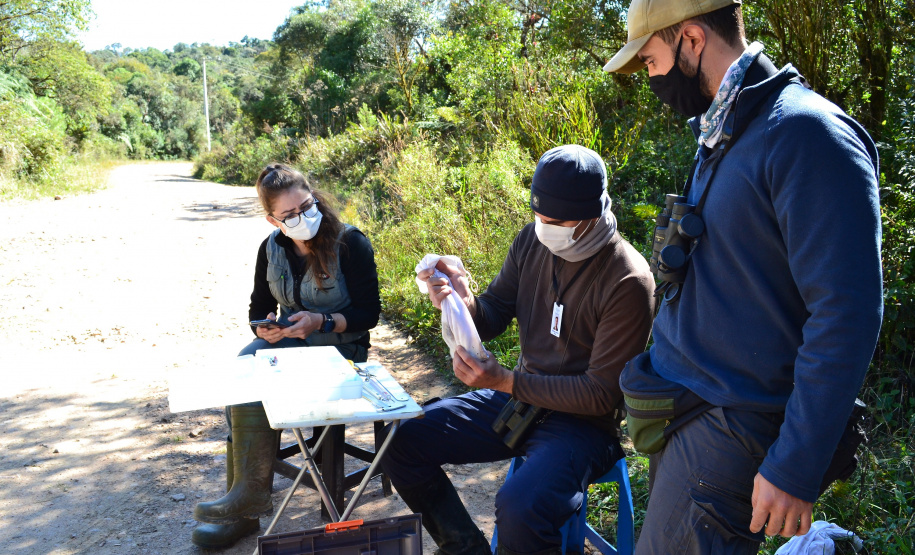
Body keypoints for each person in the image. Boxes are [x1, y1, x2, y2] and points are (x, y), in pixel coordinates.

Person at [603, 1, 883, 553]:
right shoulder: (726, 130)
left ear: (691, 39)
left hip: (731, 430)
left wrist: (795, 464)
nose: (651, 79)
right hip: (688, 415)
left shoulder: (806, 133)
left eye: (652, 61)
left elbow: (846, 312)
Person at [380, 144, 655, 555]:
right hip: (520, 403)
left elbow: (600, 394)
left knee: (522, 508)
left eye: (557, 221)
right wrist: (462, 299)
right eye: (539, 217)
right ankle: (466, 549)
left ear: (593, 214)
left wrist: (505, 381)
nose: (545, 228)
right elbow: (492, 314)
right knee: (402, 440)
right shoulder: (532, 240)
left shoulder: (628, 279)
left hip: (583, 426)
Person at [190, 163, 381, 548]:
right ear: (272, 220)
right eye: (289, 215)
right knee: (244, 370)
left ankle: (245, 504)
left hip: (342, 351)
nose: (303, 217)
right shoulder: (271, 248)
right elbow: (258, 308)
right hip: (292, 345)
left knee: (259, 381)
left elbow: (368, 314)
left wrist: (322, 321)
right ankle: (245, 504)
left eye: (307, 206)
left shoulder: (349, 243)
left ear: (315, 198)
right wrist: (263, 328)